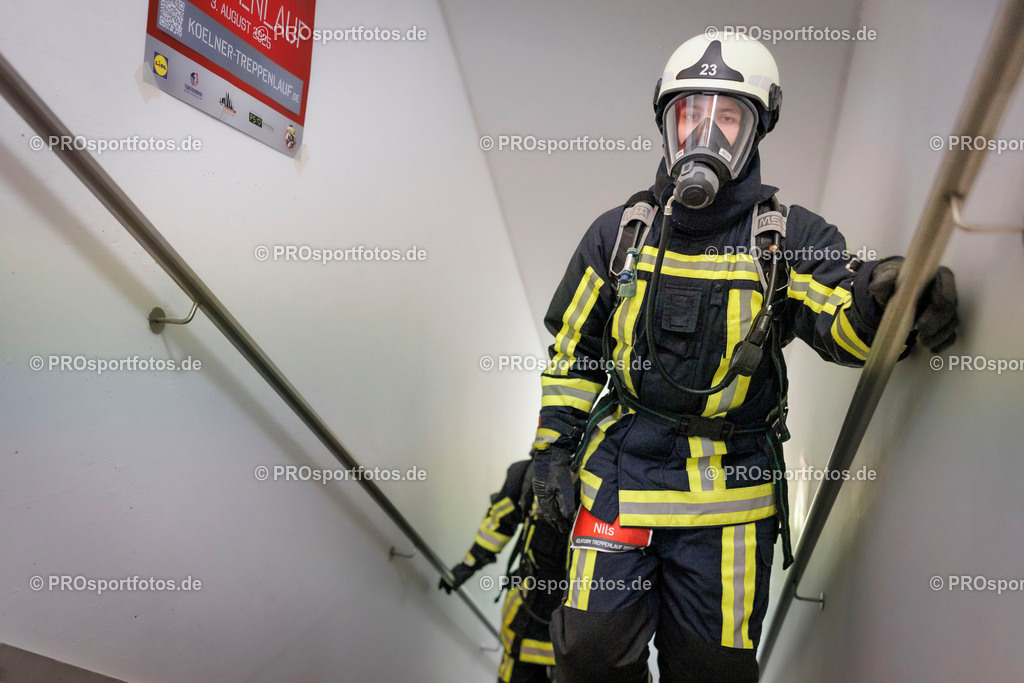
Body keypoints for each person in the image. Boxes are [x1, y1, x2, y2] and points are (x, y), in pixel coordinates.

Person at [529, 34, 958, 682]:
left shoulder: (786, 237)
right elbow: (573, 352)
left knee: (713, 671)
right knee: (586, 655)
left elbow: (836, 313)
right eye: (690, 113)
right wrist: (551, 452)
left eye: (727, 116)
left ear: (756, 129)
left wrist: (888, 293)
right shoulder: (618, 235)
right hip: (619, 480)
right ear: (667, 124)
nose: (705, 131)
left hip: (730, 500)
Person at [440, 460, 570, 683]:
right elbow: (498, 523)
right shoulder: (528, 474)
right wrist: (467, 566)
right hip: (527, 621)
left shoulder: (608, 476)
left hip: (578, 631)